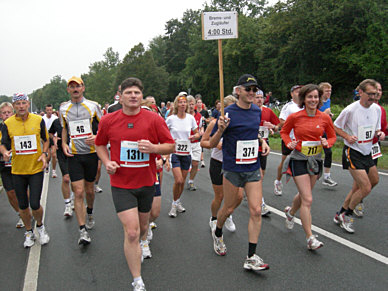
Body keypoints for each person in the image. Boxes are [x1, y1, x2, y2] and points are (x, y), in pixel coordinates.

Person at [95, 77, 174, 291]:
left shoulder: (154, 119)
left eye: (137, 93)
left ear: (141, 97)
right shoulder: (108, 120)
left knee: (143, 227)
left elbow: (170, 146)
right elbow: (100, 144)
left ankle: (142, 240)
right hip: (121, 184)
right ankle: (137, 280)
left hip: (147, 182)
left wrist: (154, 149)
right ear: (120, 97)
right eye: (128, 92)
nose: (133, 96)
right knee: (131, 232)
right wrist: (107, 161)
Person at [209, 74, 270, 271]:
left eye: (254, 89)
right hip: (233, 168)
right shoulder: (228, 112)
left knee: (256, 210)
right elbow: (210, 143)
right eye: (248, 89)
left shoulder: (256, 111)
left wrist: (262, 142)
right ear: (238, 91)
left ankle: (251, 256)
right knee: (228, 207)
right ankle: (218, 232)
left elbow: (254, 133)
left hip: (251, 167)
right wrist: (220, 130)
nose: (252, 93)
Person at [281, 84, 336, 250]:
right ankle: (310, 238)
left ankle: (290, 213)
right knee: (308, 199)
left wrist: (328, 142)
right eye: (310, 97)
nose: (313, 100)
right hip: (299, 159)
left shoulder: (324, 118)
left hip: (315, 160)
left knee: (305, 195)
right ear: (304, 99)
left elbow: (333, 136)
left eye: (316, 97)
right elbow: (284, 131)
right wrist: (288, 142)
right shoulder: (295, 117)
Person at [333, 79, 385, 233]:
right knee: (365, 187)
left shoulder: (377, 109)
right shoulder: (351, 109)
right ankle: (347, 215)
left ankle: (341, 212)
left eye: (375, 94)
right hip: (352, 152)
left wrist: (379, 133)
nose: (373, 97)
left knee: (373, 181)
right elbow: (336, 126)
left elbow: (375, 129)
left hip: (367, 151)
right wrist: (347, 137)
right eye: (370, 94)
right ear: (360, 92)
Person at [0, 93, 50, 248]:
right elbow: (3, 143)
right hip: (17, 170)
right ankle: (29, 231)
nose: (21, 106)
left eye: (23, 103)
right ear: (14, 106)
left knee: (35, 204)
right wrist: (4, 152)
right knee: (23, 205)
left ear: (28, 104)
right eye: (18, 104)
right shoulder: (7, 123)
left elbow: (46, 140)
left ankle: (40, 227)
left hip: (35, 169)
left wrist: (44, 153)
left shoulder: (38, 120)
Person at [59, 76, 102, 245]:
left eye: (78, 86)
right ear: (68, 90)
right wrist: (63, 143)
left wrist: (97, 137)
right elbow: (64, 128)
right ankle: (82, 230)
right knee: (78, 192)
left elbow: (105, 126)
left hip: (91, 154)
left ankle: (90, 212)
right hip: (74, 155)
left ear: (83, 88)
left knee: (89, 191)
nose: (75, 89)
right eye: (72, 87)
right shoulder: (63, 108)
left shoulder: (93, 106)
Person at [201, 95, 238, 233]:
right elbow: (203, 142)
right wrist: (215, 144)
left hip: (234, 164)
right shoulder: (214, 123)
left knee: (237, 196)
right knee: (220, 196)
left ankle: (226, 214)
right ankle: (214, 218)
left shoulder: (238, 124)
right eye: (228, 109)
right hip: (218, 163)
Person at [354, 81, 387, 217]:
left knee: (373, 178)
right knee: (362, 178)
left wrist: (382, 133)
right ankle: (354, 202)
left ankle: (358, 197)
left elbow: (382, 128)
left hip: (374, 146)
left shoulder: (380, 109)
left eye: (379, 90)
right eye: (374, 91)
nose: (377, 93)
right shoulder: (360, 107)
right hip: (360, 146)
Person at [165, 93, 200, 217]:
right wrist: (169, 144)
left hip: (186, 153)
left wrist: (194, 136)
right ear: (176, 104)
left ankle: (177, 201)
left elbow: (198, 133)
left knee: (183, 181)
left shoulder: (190, 118)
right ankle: (174, 205)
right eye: (180, 102)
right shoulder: (171, 119)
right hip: (175, 153)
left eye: (184, 102)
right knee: (178, 180)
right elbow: (163, 133)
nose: (182, 104)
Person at [253, 90, 280, 216]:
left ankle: (252, 191)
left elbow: (278, 125)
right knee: (259, 176)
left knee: (261, 174)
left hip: (264, 146)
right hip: (251, 147)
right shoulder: (249, 111)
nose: (259, 100)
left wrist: (273, 127)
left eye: (261, 97)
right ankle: (261, 203)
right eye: (256, 97)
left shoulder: (268, 111)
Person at [274, 85, 303, 195]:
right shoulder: (288, 106)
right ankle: (278, 181)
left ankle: (302, 189)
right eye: (296, 91)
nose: (299, 93)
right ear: (292, 94)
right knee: (285, 161)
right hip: (289, 139)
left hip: (302, 140)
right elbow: (281, 121)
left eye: (301, 91)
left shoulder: (305, 105)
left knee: (302, 161)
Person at [0, 102, 24, 228]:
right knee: (10, 192)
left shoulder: (18, 126)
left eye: (9, 112)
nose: (7, 115)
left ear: (13, 113)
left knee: (23, 190)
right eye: (4, 113)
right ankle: (21, 214)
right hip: (4, 165)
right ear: (0, 115)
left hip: (20, 163)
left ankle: (26, 209)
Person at [49, 114, 73, 217]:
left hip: (75, 151)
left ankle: (75, 197)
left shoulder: (75, 119)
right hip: (62, 152)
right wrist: (54, 139)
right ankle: (67, 204)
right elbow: (50, 133)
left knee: (77, 181)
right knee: (66, 178)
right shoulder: (56, 122)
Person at [318, 83, 338, 187]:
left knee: (328, 152)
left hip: (325, 131)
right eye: (327, 91)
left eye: (330, 90)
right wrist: (325, 113)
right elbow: (315, 116)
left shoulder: (328, 101)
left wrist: (329, 115)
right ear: (321, 92)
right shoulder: (317, 102)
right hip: (316, 131)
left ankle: (326, 176)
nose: (329, 93)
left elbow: (325, 115)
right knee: (315, 154)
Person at [187, 95, 204, 191]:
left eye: (192, 104)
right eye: (189, 104)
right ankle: (181, 179)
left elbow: (201, 126)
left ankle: (191, 181)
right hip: (186, 142)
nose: (191, 106)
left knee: (195, 163)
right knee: (185, 164)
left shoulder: (199, 115)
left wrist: (201, 131)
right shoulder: (183, 115)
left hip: (196, 142)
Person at [42, 104, 58, 177]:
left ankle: (54, 171)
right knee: (48, 156)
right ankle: (47, 163)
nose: (49, 112)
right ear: (46, 110)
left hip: (53, 137)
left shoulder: (55, 118)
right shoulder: (43, 118)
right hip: (46, 138)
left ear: (52, 110)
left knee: (54, 155)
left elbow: (58, 128)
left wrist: (56, 137)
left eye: (50, 110)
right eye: (48, 110)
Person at [197, 98, 210, 168]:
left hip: (203, 130)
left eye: (200, 102)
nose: (199, 104)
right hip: (196, 130)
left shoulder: (205, 112)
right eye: (198, 102)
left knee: (201, 144)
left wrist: (204, 119)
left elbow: (209, 120)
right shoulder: (195, 112)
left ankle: (202, 160)